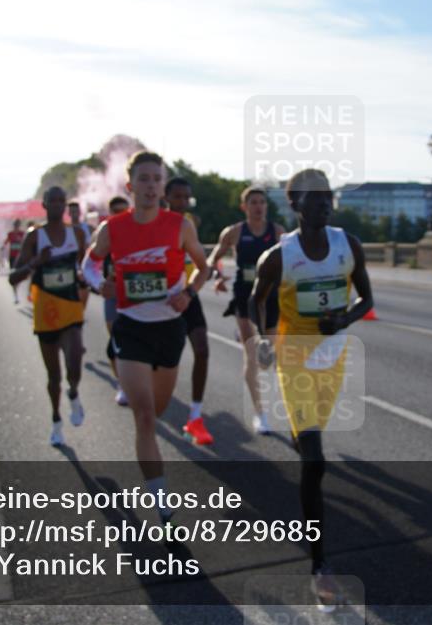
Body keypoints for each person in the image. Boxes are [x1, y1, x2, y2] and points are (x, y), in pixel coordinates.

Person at [249, 169, 373, 612]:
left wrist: (345, 319)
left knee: (310, 445)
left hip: (333, 361)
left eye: (327, 197)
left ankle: (304, 441)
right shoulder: (279, 257)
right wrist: (264, 339)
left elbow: (367, 300)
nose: (323, 204)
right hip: (295, 359)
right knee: (315, 460)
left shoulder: (347, 245)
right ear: (295, 205)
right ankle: (320, 565)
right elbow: (256, 298)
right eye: (313, 198)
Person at [82, 151, 210, 527]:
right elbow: (89, 263)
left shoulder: (180, 226)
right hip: (131, 328)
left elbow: (203, 267)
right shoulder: (112, 228)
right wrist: (99, 284)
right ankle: (162, 505)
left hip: (169, 328)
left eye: (157, 179)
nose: (151, 186)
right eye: (144, 179)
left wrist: (188, 292)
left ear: (163, 186)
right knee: (144, 417)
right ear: (130, 185)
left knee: (158, 409)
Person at [9, 187, 86, 447]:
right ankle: (56, 421)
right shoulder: (35, 236)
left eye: (61, 200)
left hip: (71, 308)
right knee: (53, 376)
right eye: (52, 200)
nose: (56, 204)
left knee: (75, 363)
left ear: (65, 204)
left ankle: (74, 392)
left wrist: (88, 279)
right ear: (44, 205)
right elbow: (14, 277)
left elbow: (86, 267)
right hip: (46, 312)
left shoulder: (76, 234)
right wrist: (36, 262)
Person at [207, 185, 284, 435]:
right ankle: (260, 413)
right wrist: (217, 275)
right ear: (244, 207)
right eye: (253, 202)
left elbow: (292, 261)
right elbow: (213, 258)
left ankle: (258, 341)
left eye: (262, 202)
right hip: (245, 296)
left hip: (270, 296)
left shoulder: (278, 232)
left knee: (266, 359)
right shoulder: (234, 232)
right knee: (251, 355)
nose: (259, 207)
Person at [164, 177, 213, 445]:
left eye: (187, 197)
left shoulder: (189, 223)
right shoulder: (156, 222)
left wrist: (190, 291)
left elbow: (201, 263)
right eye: (178, 197)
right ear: (166, 197)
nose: (183, 202)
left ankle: (195, 415)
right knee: (164, 361)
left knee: (202, 350)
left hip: (187, 296)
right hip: (162, 301)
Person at [102, 195, 131, 405]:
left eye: (124, 210)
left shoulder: (138, 229)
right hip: (113, 295)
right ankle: (122, 383)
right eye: (116, 211)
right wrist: (99, 283)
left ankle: (139, 380)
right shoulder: (104, 232)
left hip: (133, 294)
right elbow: (90, 263)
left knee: (135, 339)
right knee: (115, 341)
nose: (121, 214)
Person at [3, 219, 26, 302]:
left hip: (20, 258)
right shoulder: (10, 234)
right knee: (13, 276)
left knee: (21, 276)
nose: (16, 227)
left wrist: (20, 240)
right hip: (12, 258)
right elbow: (5, 242)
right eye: (15, 225)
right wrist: (2, 248)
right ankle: (15, 295)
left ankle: (19, 292)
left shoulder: (22, 234)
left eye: (18, 225)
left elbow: (26, 243)